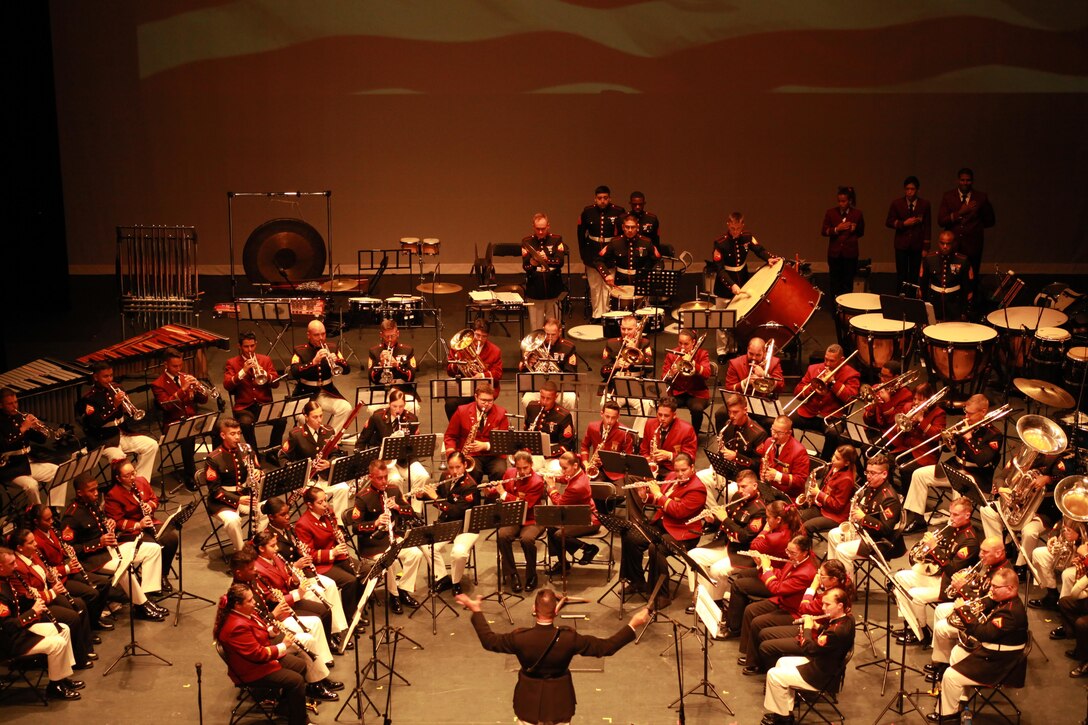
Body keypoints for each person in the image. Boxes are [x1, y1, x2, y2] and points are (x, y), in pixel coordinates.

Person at [455, 588, 649, 725]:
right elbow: (607, 647)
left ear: (534, 609)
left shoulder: (520, 638)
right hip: (560, 701)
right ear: (556, 611)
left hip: (528, 701)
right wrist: (633, 624)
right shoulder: (569, 638)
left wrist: (476, 610)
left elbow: (490, 641)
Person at [228, 547, 340, 702]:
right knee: (306, 639)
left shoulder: (250, 581)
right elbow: (253, 622)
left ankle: (321, 675)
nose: (256, 570)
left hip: (269, 629)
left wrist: (274, 599)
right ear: (239, 573)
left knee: (313, 626)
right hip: (264, 638)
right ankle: (316, 684)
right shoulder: (238, 595)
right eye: (251, 568)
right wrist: (274, 616)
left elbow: (262, 606)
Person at [61, 471, 168, 621]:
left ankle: (145, 597)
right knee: (124, 567)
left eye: (96, 489)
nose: (96, 493)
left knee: (153, 549)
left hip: (109, 550)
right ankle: (141, 605)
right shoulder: (71, 516)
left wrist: (110, 526)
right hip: (93, 560)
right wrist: (99, 542)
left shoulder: (93, 504)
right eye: (91, 490)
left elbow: (101, 527)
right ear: (79, 493)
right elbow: (68, 550)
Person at [926, 568, 1025, 723]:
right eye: (992, 585)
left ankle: (947, 717)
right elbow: (985, 607)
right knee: (957, 652)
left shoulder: (1011, 612)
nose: (991, 590)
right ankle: (960, 701)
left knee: (950, 676)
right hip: (995, 652)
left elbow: (983, 633)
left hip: (1000, 663)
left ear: (1010, 588)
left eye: (995, 587)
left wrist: (963, 612)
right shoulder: (1005, 601)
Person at [261, 497, 354, 646]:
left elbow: (298, 550)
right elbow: (275, 565)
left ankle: (338, 630)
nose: (287, 517)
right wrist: (296, 565)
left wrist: (302, 552)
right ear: (271, 517)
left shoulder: (288, 528)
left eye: (288, 513)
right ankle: (327, 635)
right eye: (282, 515)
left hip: (302, 573)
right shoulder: (268, 537)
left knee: (329, 585)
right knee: (319, 592)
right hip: (290, 579)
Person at [214, 582, 311, 725]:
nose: (254, 603)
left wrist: (273, 631)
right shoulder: (236, 627)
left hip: (258, 660)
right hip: (251, 670)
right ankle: (299, 721)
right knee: (296, 681)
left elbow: (259, 633)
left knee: (301, 665)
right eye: (250, 600)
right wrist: (283, 645)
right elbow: (258, 654)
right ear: (237, 605)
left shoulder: (245, 613)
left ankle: (284, 708)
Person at [903, 394, 1001, 533]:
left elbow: (982, 460)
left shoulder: (993, 434)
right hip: (955, 467)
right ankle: (918, 520)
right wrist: (950, 442)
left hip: (976, 475)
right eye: (965, 412)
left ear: (983, 412)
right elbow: (945, 449)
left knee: (959, 485)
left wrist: (969, 439)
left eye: (970, 413)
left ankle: (954, 528)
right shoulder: (963, 424)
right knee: (919, 474)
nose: (966, 416)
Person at [342, 460, 430, 613]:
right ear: (371, 477)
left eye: (385, 477)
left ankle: (403, 589)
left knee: (415, 554)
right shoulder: (362, 497)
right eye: (379, 478)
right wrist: (375, 523)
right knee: (390, 562)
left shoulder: (394, 490)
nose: (384, 481)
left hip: (393, 537)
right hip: (373, 543)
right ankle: (394, 595)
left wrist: (396, 507)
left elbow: (410, 511)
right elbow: (355, 527)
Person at [620, 453, 706, 605]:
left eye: (684, 470)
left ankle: (662, 595)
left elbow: (678, 511)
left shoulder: (697, 489)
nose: (679, 474)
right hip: (664, 524)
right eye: (677, 470)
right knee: (629, 534)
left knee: (656, 548)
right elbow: (661, 501)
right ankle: (637, 581)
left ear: (692, 468)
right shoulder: (671, 476)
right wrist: (646, 496)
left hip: (684, 533)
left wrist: (658, 494)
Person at [0, 546, 84, 700]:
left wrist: (28, 597)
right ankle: (55, 687)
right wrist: (33, 612)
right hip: (8, 642)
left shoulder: (6, 579)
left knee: (63, 629)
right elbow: (7, 626)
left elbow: (15, 608)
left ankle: (62, 677)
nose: (16, 566)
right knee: (57, 643)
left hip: (18, 632)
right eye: (12, 563)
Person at [893, 497, 979, 647]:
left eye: (956, 515)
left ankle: (922, 633)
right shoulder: (952, 529)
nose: (951, 518)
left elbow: (952, 569)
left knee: (915, 595)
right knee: (899, 578)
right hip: (938, 577)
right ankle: (912, 625)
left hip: (950, 587)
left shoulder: (970, 541)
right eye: (951, 514)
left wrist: (934, 549)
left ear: (967, 515)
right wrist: (928, 545)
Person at [763, 587, 855, 725]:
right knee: (782, 662)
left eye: (827, 604)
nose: (823, 608)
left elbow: (809, 649)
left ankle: (783, 719)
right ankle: (785, 710)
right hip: (825, 663)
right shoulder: (847, 618)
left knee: (773, 675)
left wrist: (806, 628)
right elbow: (830, 636)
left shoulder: (836, 632)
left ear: (840, 605)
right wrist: (817, 626)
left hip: (821, 675)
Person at [8, 527, 96, 670]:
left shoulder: (34, 554)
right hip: (35, 606)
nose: (35, 544)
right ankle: (79, 659)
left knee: (80, 604)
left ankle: (86, 646)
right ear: (20, 548)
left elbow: (44, 575)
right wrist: (53, 592)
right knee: (71, 617)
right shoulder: (17, 567)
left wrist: (50, 577)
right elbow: (29, 595)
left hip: (49, 593)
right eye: (31, 543)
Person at [926, 536, 1011, 684]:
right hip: (978, 609)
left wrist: (963, 589)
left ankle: (945, 665)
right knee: (940, 610)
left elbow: (987, 604)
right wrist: (968, 581)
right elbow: (982, 591)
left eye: (985, 552)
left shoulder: (1002, 574)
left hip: (984, 619)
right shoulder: (992, 566)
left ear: (998, 553)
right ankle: (941, 661)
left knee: (941, 628)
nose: (980, 555)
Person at [749, 560, 853, 675]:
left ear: (833, 579)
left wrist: (813, 587)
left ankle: (777, 676)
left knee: (766, 645)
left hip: (812, 639)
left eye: (822, 576)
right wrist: (817, 626)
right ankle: (763, 666)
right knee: (763, 633)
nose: (818, 577)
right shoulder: (836, 590)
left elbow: (803, 608)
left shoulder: (831, 597)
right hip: (815, 628)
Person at [686, 469, 767, 608]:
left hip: (743, 553)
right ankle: (701, 597)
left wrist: (724, 519)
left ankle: (716, 603)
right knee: (692, 556)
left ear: (754, 486)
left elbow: (744, 537)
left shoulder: (759, 510)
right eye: (739, 486)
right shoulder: (737, 496)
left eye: (744, 487)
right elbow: (726, 523)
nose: (740, 490)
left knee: (717, 570)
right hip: (727, 545)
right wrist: (713, 520)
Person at [27, 503, 111, 632]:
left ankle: (94, 619)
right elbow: (46, 569)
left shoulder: (51, 531)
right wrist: (66, 568)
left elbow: (60, 551)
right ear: (36, 521)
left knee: (104, 584)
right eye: (47, 519)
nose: (52, 521)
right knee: (92, 594)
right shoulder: (36, 540)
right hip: (58, 580)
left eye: (52, 518)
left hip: (69, 572)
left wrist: (67, 551)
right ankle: (89, 626)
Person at [724, 533, 816, 644]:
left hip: (793, 610)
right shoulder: (796, 560)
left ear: (805, 552)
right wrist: (762, 566)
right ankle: (742, 642)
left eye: (793, 553)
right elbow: (782, 575)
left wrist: (767, 569)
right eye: (787, 551)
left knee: (757, 622)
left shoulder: (806, 572)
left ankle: (752, 657)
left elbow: (777, 589)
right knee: (750, 610)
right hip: (783, 600)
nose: (788, 555)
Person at [104, 460, 179, 594]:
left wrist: (149, 506)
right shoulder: (113, 495)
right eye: (128, 475)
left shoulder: (141, 481)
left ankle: (163, 574)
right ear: (118, 478)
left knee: (171, 538)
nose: (133, 477)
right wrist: (139, 524)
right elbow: (118, 521)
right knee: (153, 545)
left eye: (133, 472)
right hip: (131, 532)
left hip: (150, 522)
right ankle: (150, 581)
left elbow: (154, 499)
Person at [707, 211, 775, 360]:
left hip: (743, 281)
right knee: (722, 320)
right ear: (728, 225)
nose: (735, 232)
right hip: (724, 285)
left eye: (738, 228)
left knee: (740, 318)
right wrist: (731, 285)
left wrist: (769, 259)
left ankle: (734, 347)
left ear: (742, 226)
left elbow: (759, 249)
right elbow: (719, 269)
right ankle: (722, 351)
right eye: (733, 229)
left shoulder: (748, 237)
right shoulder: (720, 243)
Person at [827, 453, 903, 582]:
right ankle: (832, 575)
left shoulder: (889, 498)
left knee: (842, 550)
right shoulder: (870, 487)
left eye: (873, 473)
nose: (868, 476)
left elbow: (886, 529)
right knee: (833, 534)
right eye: (867, 472)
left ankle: (846, 586)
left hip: (880, 542)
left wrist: (863, 518)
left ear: (884, 474)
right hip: (865, 533)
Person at [76, 361, 158, 482]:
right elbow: (96, 422)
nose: (109, 379)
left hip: (122, 433)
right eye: (105, 376)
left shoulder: (117, 388)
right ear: (95, 377)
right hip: (103, 440)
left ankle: (141, 482)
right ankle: (122, 490)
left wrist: (126, 408)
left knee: (151, 445)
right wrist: (114, 405)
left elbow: (122, 414)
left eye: (111, 375)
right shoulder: (89, 398)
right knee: (120, 458)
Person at [414, 452, 480, 595]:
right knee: (426, 544)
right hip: (448, 524)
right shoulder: (445, 476)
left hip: (466, 527)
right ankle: (442, 578)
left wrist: (436, 498)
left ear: (465, 465)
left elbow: (456, 511)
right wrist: (422, 495)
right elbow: (437, 492)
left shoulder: (470, 486)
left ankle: (456, 583)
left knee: (459, 553)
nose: (454, 471)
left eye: (458, 467)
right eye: (451, 467)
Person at [295, 487, 364, 619]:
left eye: (325, 500)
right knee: (351, 581)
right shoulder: (303, 524)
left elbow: (333, 531)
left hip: (338, 557)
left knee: (366, 571)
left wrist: (339, 535)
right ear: (309, 505)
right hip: (321, 564)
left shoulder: (327, 512)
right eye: (320, 502)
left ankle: (358, 607)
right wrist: (332, 552)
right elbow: (309, 555)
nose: (325, 504)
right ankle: (350, 617)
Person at [280, 400, 354, 520]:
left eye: (321, 416)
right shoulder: (296, 434)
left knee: (343, 488)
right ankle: (315, 525)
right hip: (306, 481)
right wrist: (299, 470)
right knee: (317, 500)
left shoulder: (328, 431)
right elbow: (283, 458)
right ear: (306, 417)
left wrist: (329, 463)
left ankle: (340, 524)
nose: (319, 420)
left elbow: (336, 453)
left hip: (325, 476)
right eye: (315, 417)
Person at [354, 389, 430, 507]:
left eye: (401, 406)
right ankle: (398, 509)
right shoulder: (377, 417)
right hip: (386, 461)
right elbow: (362, 440)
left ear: (405, 405)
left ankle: (414, 511)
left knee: (423, 476)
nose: (398, 410)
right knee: (395, 480)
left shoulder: (412, 419)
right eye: (394, 406)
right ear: (389, 404)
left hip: (405, 459)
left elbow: (414, 445)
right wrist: (362, 460)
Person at [485, 451, 545, 593]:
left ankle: (531, 575)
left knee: (527, 539)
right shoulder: (509, 473)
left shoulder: (537, 481)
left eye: (525, 468)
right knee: (502, 535)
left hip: (532, 519)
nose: (522, 472)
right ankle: (512, 574)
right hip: (513, 517)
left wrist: (503, 494)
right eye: (519, 468)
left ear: (531, 465)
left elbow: (525, 505)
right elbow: (502, 488)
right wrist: (491, 490)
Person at [150, 347, 210, 489]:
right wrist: (183, 390)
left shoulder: (185, 377)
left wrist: (199, 387)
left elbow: (203, 401)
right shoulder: (158, 384)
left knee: (219, 427)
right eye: (174, 366)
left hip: (192, 419)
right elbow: (167, 406)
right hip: (174, 424)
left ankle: (216, 466)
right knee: (188, 438)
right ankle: (190, 476)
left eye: (180, 365)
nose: (178, 369)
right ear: (165, 365)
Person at [790, 344, 861, 460]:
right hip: (809, 413)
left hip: (832, 416)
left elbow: (850, 399)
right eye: (826, 359)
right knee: (786, 420)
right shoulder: (813, 369)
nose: (827, 364)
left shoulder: (851, 374)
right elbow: (797, 392)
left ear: (841, 360)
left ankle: (824, 462)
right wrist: (812, 387)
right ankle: (793, 454)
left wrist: (833, 383)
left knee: (833, 434)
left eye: (832, 361)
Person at [222, 331, 285, 455]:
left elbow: (276, 384)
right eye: (246, 346)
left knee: (281, 420)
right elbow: (227, 385)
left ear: (256, 344)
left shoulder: (265, 360)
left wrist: (265, 374)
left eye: (252, 346)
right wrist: (243, 371)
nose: (249, 350)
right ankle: (254, 454)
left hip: (264, 405)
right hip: (244, 407)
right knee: (245, 424)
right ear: (239, 346)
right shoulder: (232, 362)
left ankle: (273, 450)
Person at [204, 417, 260, 552]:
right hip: (222, 501)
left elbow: (258, 467)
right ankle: (242, 553)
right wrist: (237, 499)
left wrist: (259, 472)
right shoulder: (213, 458)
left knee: (266, 509)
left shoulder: (246, 448)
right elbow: (214, 491)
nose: (237, 437)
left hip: (245, 496)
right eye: (232, 434)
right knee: (233, 520)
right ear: (223, 435)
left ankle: (257, 544)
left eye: (238, 433)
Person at [0, 387, 60, 507]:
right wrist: (22, 428)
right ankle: (37, 516)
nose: (15, 406)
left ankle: (53, 509)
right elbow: (3, 445)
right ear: (1, 405)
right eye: (10, 404)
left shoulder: (19, 417)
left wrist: (37, 429)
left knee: (59, 472)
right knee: (31, 485)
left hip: (26, 463)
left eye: (16, 402)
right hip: (9, 468)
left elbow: (41, 440)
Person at [544, 452, 601, 576]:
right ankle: (563, 563)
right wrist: (553, 477)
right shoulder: (579, 473)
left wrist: (551, 487)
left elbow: (559, 503)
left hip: (589, 520)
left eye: (565, 468)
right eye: (561, 468)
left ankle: (588, 548)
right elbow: (566, 478)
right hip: (576, 516)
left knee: (559, 535)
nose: (563, 471)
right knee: (551, 529)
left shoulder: (577, 487)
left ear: (575, 465)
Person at [289, 319, 352, 430]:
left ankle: (332, 439)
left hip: (327, 392)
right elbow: (294, 372)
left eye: (323, 334)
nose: (321, 338)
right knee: (306, 419)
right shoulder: (299, 351)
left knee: (346, 408)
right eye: (316, 335)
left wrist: (337, 360)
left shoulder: (332, 348)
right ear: (309, 335)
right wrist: (313, 362)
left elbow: (347, 370)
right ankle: (315, 440)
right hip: (306, 393)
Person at [443, 382, 511, 483]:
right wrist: (452, 454)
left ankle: (494, 497)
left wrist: (485, 445)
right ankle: (472, 497)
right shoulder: (462, 411)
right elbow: (450, 435)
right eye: (483, 400)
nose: (486, 404)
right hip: (471, 455)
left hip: (494, 455)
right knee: (473, 472)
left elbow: (504, 440)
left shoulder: (501, 413)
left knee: (500, 471)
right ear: (476, 397)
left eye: (490, 401)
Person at [577, 185, 625, 322]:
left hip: (611, 252)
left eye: (605, 198)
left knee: (608, 284)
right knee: (594, 285)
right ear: (595, 199)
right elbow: (581, 235)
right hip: (592, 251)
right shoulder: (588, 212)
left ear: (609, 198)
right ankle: (596, 314)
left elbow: (622, 235)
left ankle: (607, 314)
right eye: (600, 198)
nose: (602, 201)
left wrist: (613, 248)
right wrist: (583, 255)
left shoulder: (618, 211)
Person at [937, 167, 995, 279]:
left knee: (971, 278)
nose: (965, 183)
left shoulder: (981, 197)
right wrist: (960, 213)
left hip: (973, 246)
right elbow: (941, 221)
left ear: (972, 181)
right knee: (954, 277)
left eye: (968, 180)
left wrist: (975, 226)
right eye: (962, 180)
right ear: (958, 180)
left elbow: (990, 221)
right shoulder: (948, 196)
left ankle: (971, 296)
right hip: (953, 246)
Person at [444, 318, 504, 419]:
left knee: (472, 403)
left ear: (488, 336)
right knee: (450, 404)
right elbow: (449, 371)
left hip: (485, 388)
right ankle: (457, 428)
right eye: (477, 335)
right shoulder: (459, 346)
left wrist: (482, 375)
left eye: (484, 336)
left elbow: (498, 373)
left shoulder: (495, 350)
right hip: (463, 386)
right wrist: (458, 363)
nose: (480, 339)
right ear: (472, 333)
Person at [521, 212, 567, 332]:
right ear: (533, 227)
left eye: (543, 229)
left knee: (554, 328)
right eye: (538, 229)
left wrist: (547, 259)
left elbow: (560, 261)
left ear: (548, 226)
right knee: (536, 329)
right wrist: (533, 263)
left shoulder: (556, 240)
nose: (540, 232)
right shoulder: (527, 242)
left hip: (553, 289)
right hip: (535, 290)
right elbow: (525, 267)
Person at [797, 445, 858, 535]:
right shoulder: (834, 468)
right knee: (796, 517)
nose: (833, 459)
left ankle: (803, 548)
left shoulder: (846, 480)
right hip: (824, 507)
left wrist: (818, 493)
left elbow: (837, 506)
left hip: (835, 516)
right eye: (834, 455)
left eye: (837, 458)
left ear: (846, 463)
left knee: (806, 527)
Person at [885, 175, 932, 292]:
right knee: (901, 274)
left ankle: (912, 299)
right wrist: (903, 224)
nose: (909, 192)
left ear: (917, 190)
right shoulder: (897, 203)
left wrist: (926, 247)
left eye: (912, 189)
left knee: (914, 274)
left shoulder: (924, 204)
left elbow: (927, 226)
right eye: (907, 189)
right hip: (901, 244)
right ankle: (900, 298)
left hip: (917, 245)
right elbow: (889, 221)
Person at [661, 329, 712, 434]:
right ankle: (668, 432)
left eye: (686, 344)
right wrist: (671, 373)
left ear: (693, 342)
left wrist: (693, 363)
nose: (682, 347)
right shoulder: (672, 354)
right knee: (665, 405)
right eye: (680, 343)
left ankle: (694, 434)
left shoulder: (702, 354)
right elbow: (663, 378)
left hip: (697, 393)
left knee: (697, 409)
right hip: (677, 392)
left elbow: (707, 374)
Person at [597, 213, 661, 295]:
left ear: (637, 227)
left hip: (640, 282)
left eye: (633, 227)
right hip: (620, 282)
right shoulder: (615, 242)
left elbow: (658, 261)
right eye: (627, 227)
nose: (630, 230)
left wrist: (651, 275)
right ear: (623, 227)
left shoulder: (646, 242)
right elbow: (598, 260)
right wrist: (606, 275)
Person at [821, 186, 865, 299]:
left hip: (850, 253)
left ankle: (845, 310)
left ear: (849, 201)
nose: (841, 204)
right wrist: (836, 229)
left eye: (843, 201)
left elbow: (861, 232)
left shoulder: (857, 214)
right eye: (839, 201)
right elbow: (824, 231)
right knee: (835, 282)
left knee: (848, 282)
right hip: (834, 254)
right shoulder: (831, 213)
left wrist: (854, 230)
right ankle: (836, 310)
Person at [639, 396, 699, 480]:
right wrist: (648, 461)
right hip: (652, 467)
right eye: (659, 415)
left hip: (673, 469)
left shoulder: (686, 429)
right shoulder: (650, 424)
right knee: (631, 477)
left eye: (666, 416)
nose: (662, 419)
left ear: (674, 415)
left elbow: (690, 457)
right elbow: (644, 450)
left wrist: (669, 455)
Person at [919, 230, 973, 321]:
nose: (945, 247)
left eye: (948, 244)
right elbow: (923, 284)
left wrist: (964, 311)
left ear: (954, 244)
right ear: (938, 242)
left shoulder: (962, 260)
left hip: (954, 303)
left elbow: (967, 287)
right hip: (934, 301)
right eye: (942, 243)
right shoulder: (930, 259)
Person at [755, 416, 811, 500]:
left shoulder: (799, 451)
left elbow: (801, 480)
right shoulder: (768, 442)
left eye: (779, 433)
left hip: (787, 496)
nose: (774, 436)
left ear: (789, 433)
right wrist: (762, 474)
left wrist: (778, 476)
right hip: (769, 490)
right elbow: (763, 462)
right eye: (773, 430)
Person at [600, 314, 654, 395]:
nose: (626, 332)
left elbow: (650, 367)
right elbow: (603, 371)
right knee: (604, 403)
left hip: (638, 383)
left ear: (636, 329)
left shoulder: (644, 343)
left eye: (629, 329)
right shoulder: (611, 343)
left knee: (647, 404)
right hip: (616, 383)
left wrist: (636, 350)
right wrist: (616, 365)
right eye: (623, 329)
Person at [721, 337, 785, 400]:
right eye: (751, 354)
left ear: (764, 353)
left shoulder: (774, 362)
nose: (754, 358)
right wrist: (745, 383)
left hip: (766, 401)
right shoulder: (735, 363)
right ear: (747, 350)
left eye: (758, 355)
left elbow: (781, 386)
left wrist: (764, 375)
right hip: (742, 403)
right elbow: (729, 389)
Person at [366, 319, 418, 397]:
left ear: (397, 333)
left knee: (413, 406)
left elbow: (411, 377)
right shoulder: (374, 351)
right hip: (381, 389)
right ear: (381, 335)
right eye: (387, 336)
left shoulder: (408, 350)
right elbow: (372, 378)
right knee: (372, 409)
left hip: (403, 389)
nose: (390, 339)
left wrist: (397, 366)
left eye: (392, 336)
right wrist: (381, 365)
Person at [523, 380, 575, 456]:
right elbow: (526, 431)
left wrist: (546, 452)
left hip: (554, 455)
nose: (544, 401)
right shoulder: (531, 407)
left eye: (548, 399)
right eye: (542, 397)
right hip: (533, 453)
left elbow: (566, 446)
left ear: (555, 397)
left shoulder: (564, 416)